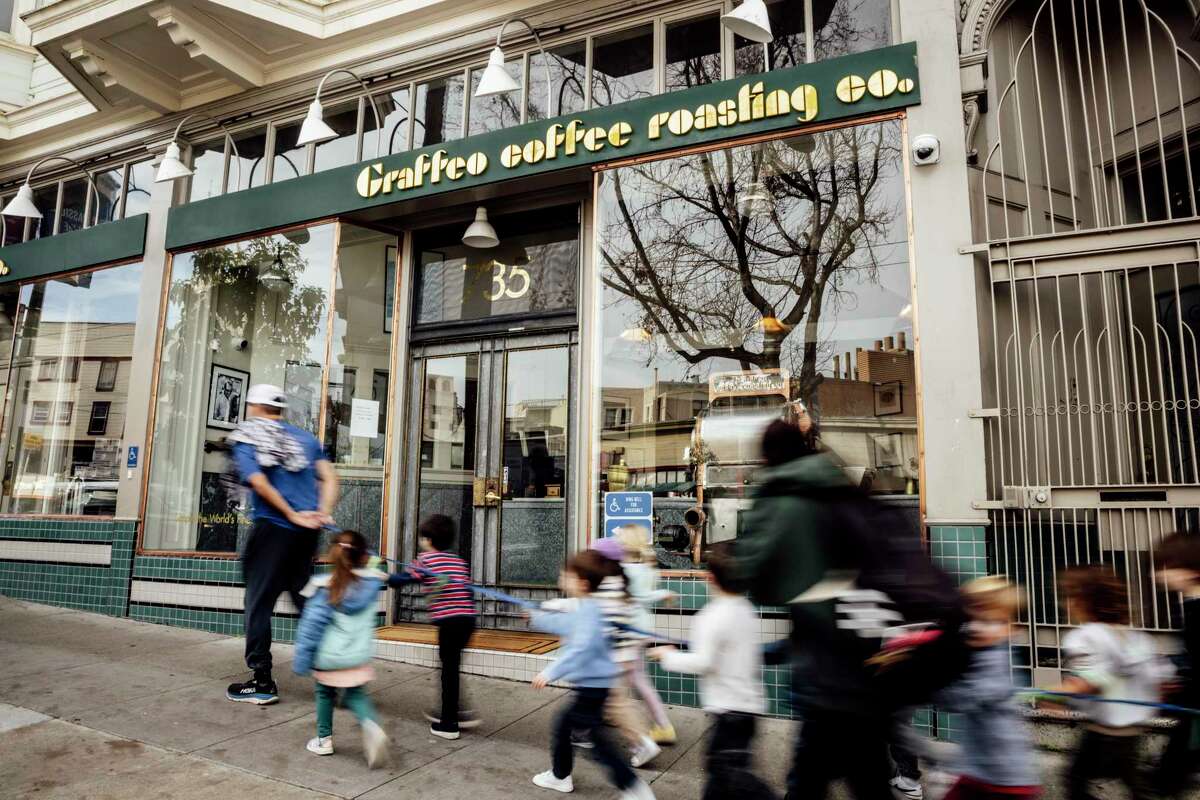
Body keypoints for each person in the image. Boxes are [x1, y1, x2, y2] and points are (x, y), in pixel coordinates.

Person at [733, 416, 894, 800]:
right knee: (866, 770)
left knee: (810, 773)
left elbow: (752, 575)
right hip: (869, 645)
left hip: (823, 655)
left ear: (768, 456)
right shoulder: (837, 483)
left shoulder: (781, 498)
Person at [226, 384, 338, 704]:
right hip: (305, 534)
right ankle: (334, 676)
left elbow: (258, 482)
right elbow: (331, 478)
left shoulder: (249, 435)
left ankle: (261, 681)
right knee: (304, 601)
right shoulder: (305, 439)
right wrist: (322, 513)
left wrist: (291, 512)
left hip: (274, 530)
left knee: (259, 603)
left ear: (253, 405)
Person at [649, 541, 776, 800]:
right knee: (721, 777)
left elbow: (703, 662)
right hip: (748, 706)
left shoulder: (711, 616)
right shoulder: (746, 610)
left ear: (710, 578)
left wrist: (668, 656)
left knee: (729, 775)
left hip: (729, 710)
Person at [527, 551, 655, 800]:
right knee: (570, 729)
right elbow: (566, 625)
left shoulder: (590, 610)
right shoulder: (588, 607)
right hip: (595, 685)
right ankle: (561, 775)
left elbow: (580, 648)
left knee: (594, 742)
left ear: (583, 583)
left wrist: (549, 672)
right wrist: (536, 618)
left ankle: (630, 786)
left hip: (592, 687)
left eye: (567, 575)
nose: (562, 578)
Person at [1049, 566, 1172, 800]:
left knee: (1075, 781)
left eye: (1068, 595)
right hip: (1132, 732)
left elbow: (1092, 680)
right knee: (1135, 784)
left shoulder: (1085, 636)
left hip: (1102, 731)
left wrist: (1053, 694)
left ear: (1081, 600)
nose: (1065, 603)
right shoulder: (1138, 637)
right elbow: (1160, 681)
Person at [933, 577, 1040, 800]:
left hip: (1004, 779)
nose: (977, 627)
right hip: (979, 770)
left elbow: (960, 700)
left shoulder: (996, 663)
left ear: (1012, 629)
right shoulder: (977, 655)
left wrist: (929, 680)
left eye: (994, 621)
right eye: (973, 618)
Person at [292, 530, 389, 767]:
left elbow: (311, 628)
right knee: (356, 694)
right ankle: (371, 727)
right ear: (363, 556)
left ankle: (324, 740)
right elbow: (370, 559)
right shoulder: (371, 582)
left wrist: (302, 659)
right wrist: (363, 553)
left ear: (334, 555)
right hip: (358, 655)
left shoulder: (326, 587)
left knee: (325, 693)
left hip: (330, 657)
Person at [407, 514, 479, 740]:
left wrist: (387, 578)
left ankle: (449, 724)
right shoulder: (457, 561)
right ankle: (459, 712)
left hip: (449, 624)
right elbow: (468, 592)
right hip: (467, 622)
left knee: (448, 671)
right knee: (452, 668)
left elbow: (405, 578)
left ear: (427, 540)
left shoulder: (426, 560)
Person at [593, 535, 661, 768]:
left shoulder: (604, 588)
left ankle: (642, 742)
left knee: (616, 704)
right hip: (624, 654)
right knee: (615, 702)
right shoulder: (620, 584)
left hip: (611, 657)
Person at [614, 524, 677, 746]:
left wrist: (662, 594)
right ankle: (662, 725)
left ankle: (659, 726)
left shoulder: (626, 569)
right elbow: (646, 594)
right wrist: (663, 593)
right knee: (638, 679)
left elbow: (639, 596)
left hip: (630, 630)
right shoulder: (648, 567)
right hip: (641, 629)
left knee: (627, 679)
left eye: (620, 539)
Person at [1155, 532, 1200, 797]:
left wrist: (1179, 685)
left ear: (1191, 571)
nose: (1160, 575)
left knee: (1171, 774)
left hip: (1195, 710)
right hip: (1192, 708)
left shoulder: (1197, 612)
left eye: (1167, 567)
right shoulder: (1191, 608)